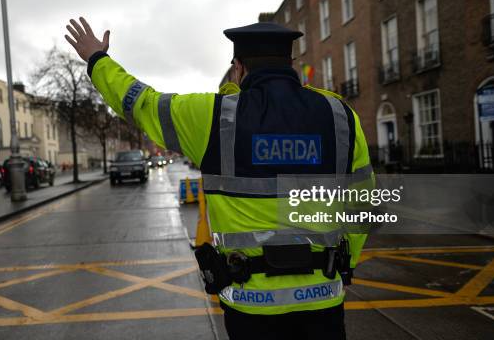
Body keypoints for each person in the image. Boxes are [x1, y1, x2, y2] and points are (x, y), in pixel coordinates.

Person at [65, 17, 373, 340]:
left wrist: (97, 60)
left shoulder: (213, 116)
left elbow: (142, 104)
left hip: (251, 307)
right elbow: (364, 206)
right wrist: (339, 262)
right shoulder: (341, 116)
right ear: (291, 64)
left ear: (239, 68)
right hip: (323, 304)